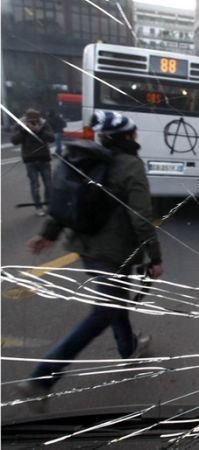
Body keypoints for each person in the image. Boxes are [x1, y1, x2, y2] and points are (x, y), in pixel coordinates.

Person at [19, 111, 164, 410]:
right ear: (127, 137)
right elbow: (141, 218)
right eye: (133, 133)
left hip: (85, 247)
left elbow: (64, 198)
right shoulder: (130, 165)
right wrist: (155, 257)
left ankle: (130, 348)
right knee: (102, 313)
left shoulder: (86, 158)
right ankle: (41, 379)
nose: (136, 137)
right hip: (113, 253)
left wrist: (49, 232)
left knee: (114, 302)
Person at [11, 108, 55, 216]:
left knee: (49, 184)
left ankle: (49, 205)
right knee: (35, 185)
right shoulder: (20, 125)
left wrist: (39, 130)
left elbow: (52, 138)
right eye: (31, 120)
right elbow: (14, 141)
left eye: (36, 120)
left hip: (44, 158)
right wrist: (23, 130)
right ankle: (38, 207)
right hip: (30, 160)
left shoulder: (44, 125)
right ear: (26, 119)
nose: (34, 122)